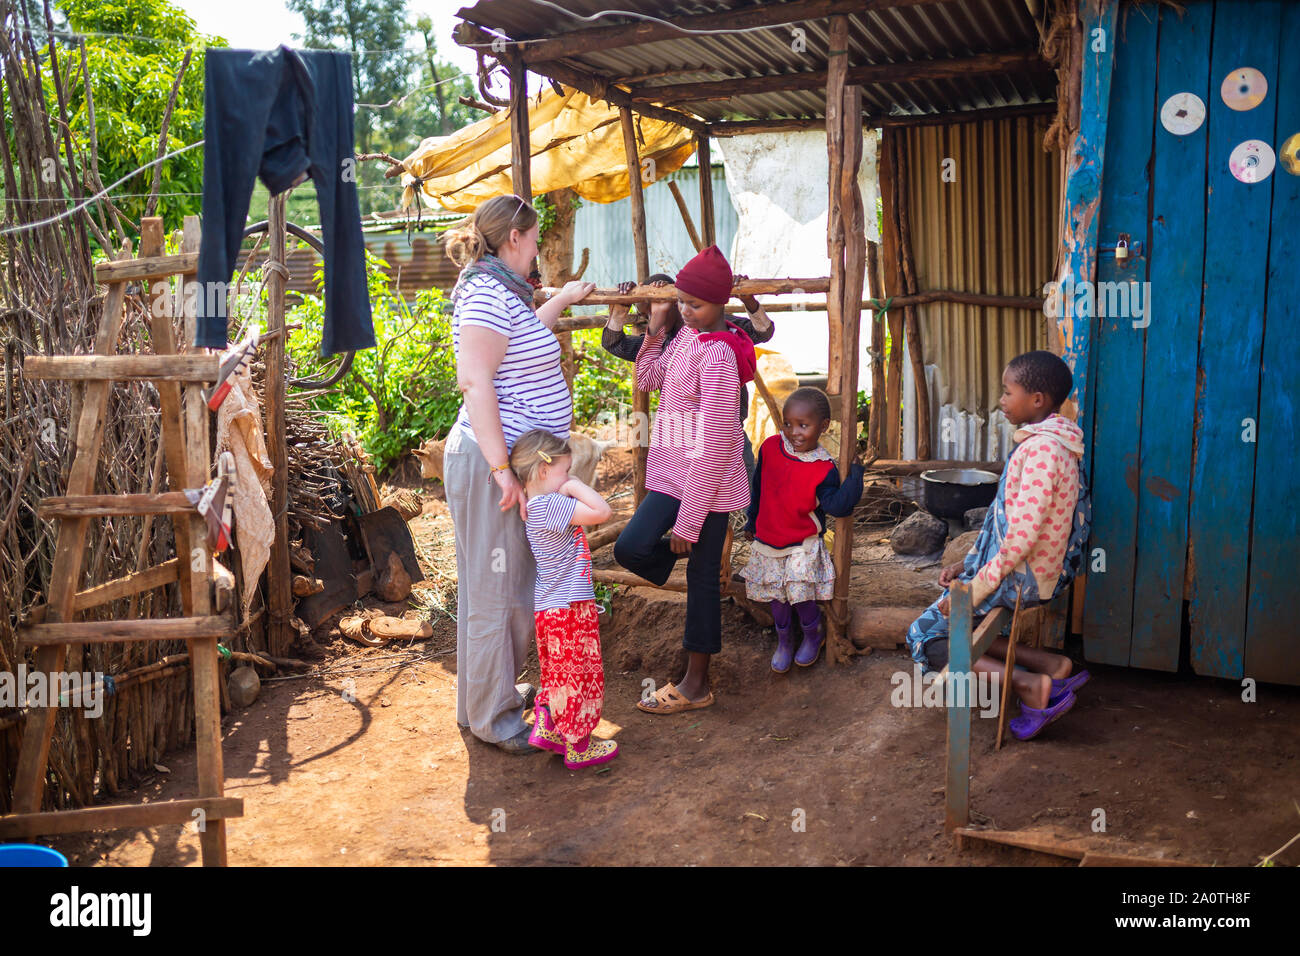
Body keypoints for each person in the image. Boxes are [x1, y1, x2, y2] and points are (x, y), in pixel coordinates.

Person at [442, 194, 595, 754]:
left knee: (492, 587)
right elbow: (475, 383)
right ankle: (497, 718)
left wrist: (565, 299)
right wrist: (503, 469)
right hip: (494, 466)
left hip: (504, 462)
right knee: (500, 592)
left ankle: (480, 701)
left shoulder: (500, 291)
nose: (536, 253)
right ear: (515, 239)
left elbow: (524, 337)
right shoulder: (484, 294)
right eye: (534, 241)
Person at [905, 350, 1092, 741]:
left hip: (1024, 578)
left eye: (1008, 393)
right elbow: (1001, 522)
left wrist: (974, 590)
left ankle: (1029, 686)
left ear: (1036, 400)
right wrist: (969, 565)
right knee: (959, 624)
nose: (1002, 401)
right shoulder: (1053, 441)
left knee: (927, 636)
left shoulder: (1042, 452)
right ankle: (1051, 666)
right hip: (1030, 573)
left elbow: (1020, 539)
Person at [614, 245, 754, 714]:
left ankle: (696, 685)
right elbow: (648, 379)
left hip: (708, 486)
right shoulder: (684, 338)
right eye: (682, 302)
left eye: (695, 304)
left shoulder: (719, 356)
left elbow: (715, 446)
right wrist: (655, 329)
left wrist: (688, 524)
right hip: (671, 477)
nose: (686, 311)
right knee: (629, 548)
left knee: (701, 581)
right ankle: (697, 556)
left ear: (720, 304)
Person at [509, 429, 620, 768]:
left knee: (559, 673)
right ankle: (580, 747)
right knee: (581, 675)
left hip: (549, 607)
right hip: (570, 607)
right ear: (544, 472)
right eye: (564, 471)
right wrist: (574, 486)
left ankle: (550, 727)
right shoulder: (552, 504)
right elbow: (603, 512)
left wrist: (566, 482)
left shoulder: (533, 505)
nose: (568, 478)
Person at [742, 387, 864, 672]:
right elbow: (759, 488)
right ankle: (784, 641)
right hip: (769, 540)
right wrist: (751, 520)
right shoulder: (771, 448)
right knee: (777, 599)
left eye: (803, 425)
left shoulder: (822, 468)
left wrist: (856, 476)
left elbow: (838, 507)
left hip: (802, 544)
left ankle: (813, 634)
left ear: (823, 427)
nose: (793, 431)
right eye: (788, 423)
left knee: (801, 596)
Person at [604, 272, 775, 474]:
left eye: (655, 310)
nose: (652, 318)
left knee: (741, 501)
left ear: (676, 301)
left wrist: (748, 299)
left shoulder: (713, 326)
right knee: (688, 500)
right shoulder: (660, 344)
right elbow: (613, 344)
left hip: (724, 438)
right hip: (681, 442)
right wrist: (622, 306)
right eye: (648, 315)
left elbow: (763, 331)